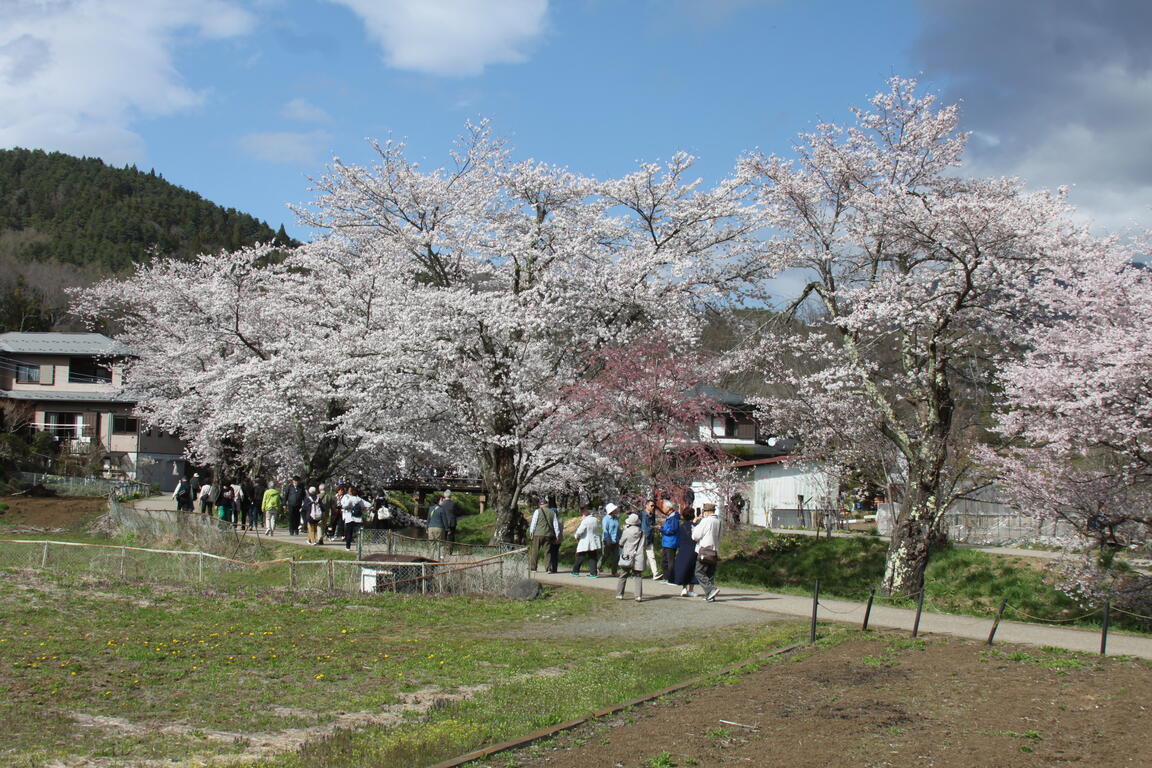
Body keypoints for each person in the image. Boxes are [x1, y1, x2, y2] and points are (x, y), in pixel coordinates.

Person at [692, 503, 723, 602]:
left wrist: (694, 528)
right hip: (714, 550)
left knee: (699, 571)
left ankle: (711, 590)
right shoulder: (718, 521)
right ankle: (710, 595)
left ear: (707, 512)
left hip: (705, 550)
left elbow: (695, 536)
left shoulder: (706, 521)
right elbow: (720, 536)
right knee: (709, 573)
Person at [615, 512, 647, 602]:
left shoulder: (627, 531)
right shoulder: (642, 532)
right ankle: (638, 596)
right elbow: (644, 544)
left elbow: (621, 542)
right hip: (638, 556)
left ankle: (619, 594)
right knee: (638, 576)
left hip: (628, 556)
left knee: (623, 575)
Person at [669, 506, 699, 597]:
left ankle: (684, 589)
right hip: (693, 549)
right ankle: (691, 590)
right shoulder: (696, 526)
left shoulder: (681, 526)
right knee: (692, 569)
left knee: (684, 568)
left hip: (682, 549)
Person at [527, 499, 561, 572]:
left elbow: (534, 523)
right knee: (547, 552)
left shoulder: (537, 511)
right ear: (547, 504)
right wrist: (557, 535)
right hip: (548, 534)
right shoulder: (552, 512)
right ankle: (548, 568)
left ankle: (533, 567)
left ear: (540, 505)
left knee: (535, 551)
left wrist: (531, 533)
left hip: (538, 534)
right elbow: (556, 525)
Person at [570, 507, 601, 577]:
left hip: (585, 541)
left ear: (584, 513)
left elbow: (580, 531)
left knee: (580, 556)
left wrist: (576, 536)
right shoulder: (595, 520)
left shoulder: (585, 521)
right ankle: (593, 573)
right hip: (594, 541)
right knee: (593, 557)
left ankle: (575, 571)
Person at [341, 485, 369, 551]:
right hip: (358, 518)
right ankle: (359, 546)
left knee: (349, 533)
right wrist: (363, 508)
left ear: (350, 491)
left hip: (349, 517)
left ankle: (348, 547)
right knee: (358, 533)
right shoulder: (359, 499)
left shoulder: (347, 497)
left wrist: (348, 506)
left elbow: (344, 505)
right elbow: (368, 505)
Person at [659, 499, 681, 581]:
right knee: (664, 561)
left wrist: (661, 529)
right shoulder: (669, 517)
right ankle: (666, 577)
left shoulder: (674, 518)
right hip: (666, 542)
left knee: (670, 561)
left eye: (664, 507)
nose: (663, 509)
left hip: (671, 542)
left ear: (669, 508)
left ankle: (671, 578)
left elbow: (672, 530)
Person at [642, 500, 662, 580]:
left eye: (654, 506)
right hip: (642, 538)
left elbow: (652, 525)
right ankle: (636, 572)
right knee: (640, 556)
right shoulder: (642, 515)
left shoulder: (652, 515)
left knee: (651, 556)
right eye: (651, 506)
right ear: (646, 506)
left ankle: (655, 573)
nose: (653, 507)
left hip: (650, 538)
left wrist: (656, 528)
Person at [599, 503, 621, 577]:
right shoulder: (606, 519)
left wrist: (621, 538)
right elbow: (605, 530)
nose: (616, 510)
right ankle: (598, 567)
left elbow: (618, 529)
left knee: (616, 556)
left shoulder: (616, 518)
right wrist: (607, 540)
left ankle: (614, 571)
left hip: (616, 540)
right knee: (605, 555)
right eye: (614, 509)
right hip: (607, 540)